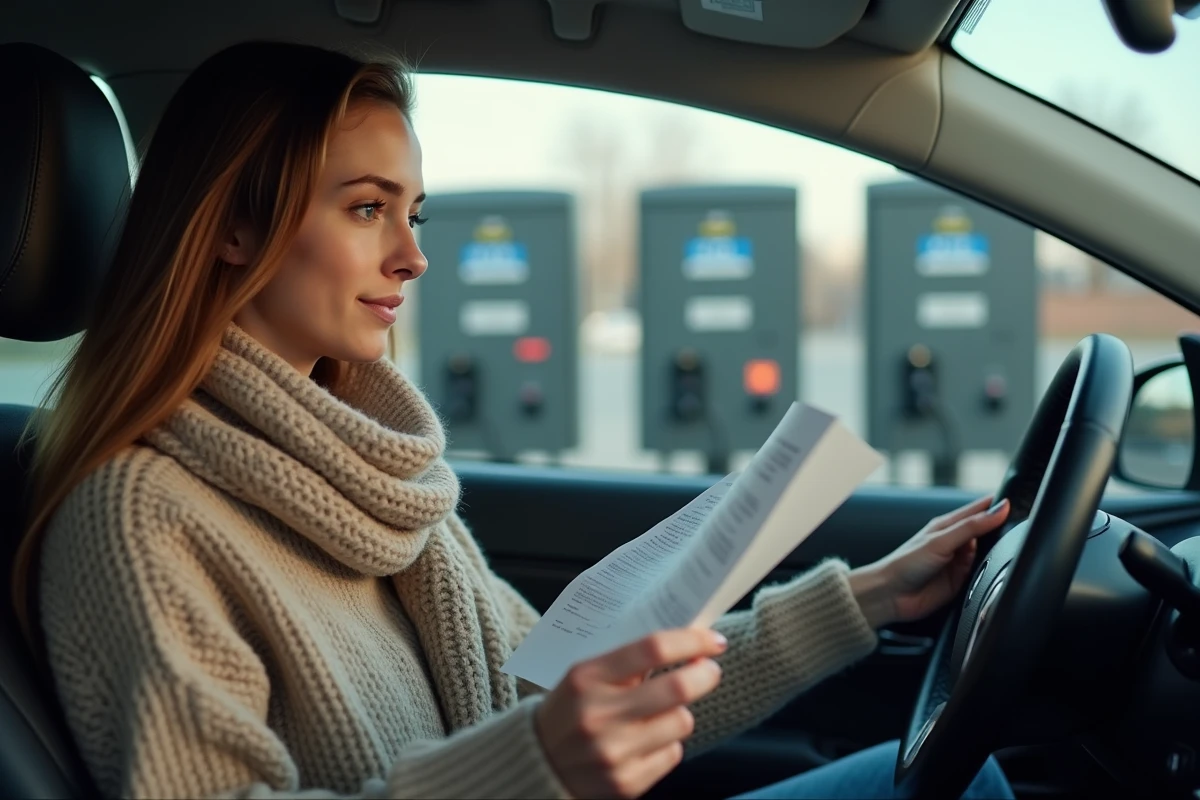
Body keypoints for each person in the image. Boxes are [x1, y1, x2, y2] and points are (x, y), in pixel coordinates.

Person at [10, 41, 1016, 800]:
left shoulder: (378, 472)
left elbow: (569, 695)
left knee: (965, 776)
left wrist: (868, 597)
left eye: (414, 214)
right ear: (233, 224)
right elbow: (542, 738)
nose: (413, 256)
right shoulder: (136, 517)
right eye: (365, 209)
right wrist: (533, 764)